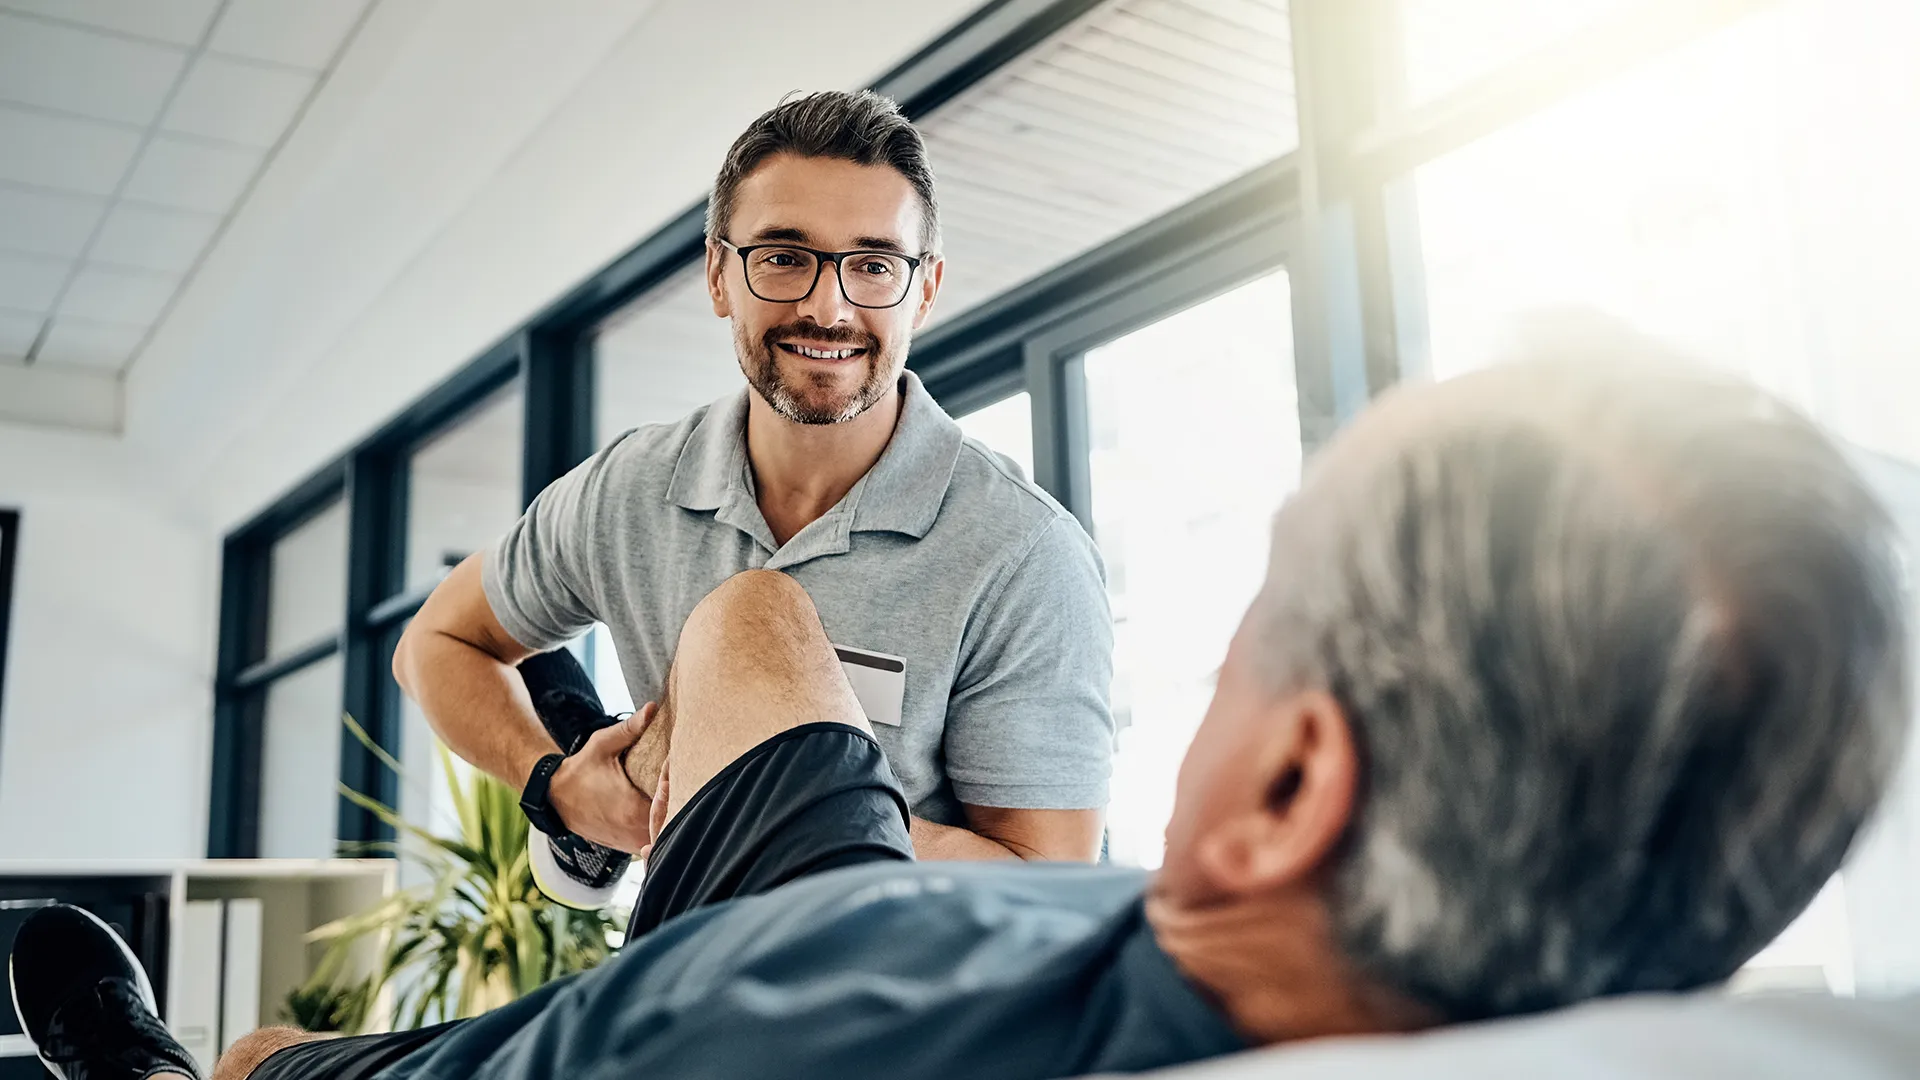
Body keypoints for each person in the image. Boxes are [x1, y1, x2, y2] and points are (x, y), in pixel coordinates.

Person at [13, 352, 1909, 1080]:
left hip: (753, 996)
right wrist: (596, 775)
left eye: (1266, 613)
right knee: (754, 617)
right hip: (892, 917)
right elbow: (459, 642)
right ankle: (614, 791)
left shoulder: (759, 1043)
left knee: (266, 1062)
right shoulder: (1393, 947)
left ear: (1292, 783)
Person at [390, 89, 1115, 906]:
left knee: (749, 625)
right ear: (718, 275)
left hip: (887, 973)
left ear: (925, 289)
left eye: (874, 265)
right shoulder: (630, 488)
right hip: (683, 951)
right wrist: (555, 786)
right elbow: (434, 644)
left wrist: (763, 789)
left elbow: (1049, 895)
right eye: (783, 257)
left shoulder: (1023, 551)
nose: (828, 307)